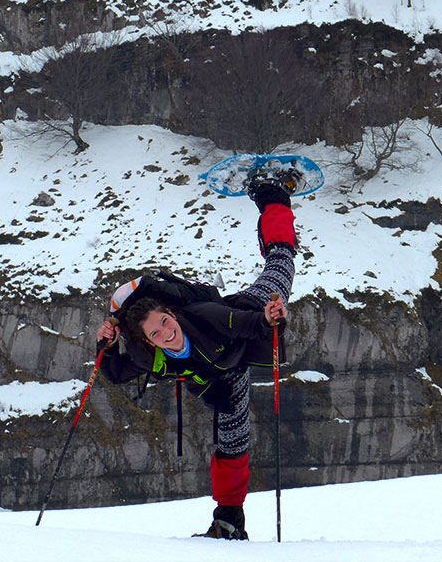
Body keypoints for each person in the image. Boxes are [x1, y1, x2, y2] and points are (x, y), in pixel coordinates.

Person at [95, 174, 299, 540]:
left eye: (165, 322)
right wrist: (105, 345)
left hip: (244, 319)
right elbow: (112, 372)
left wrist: (271, 318)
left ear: (172, 314)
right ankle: (228, 522)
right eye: (155, 333)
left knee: (281, 264)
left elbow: (253, 326)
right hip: (223, 380)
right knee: (232, 444)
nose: (166, 333)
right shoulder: (147, 357)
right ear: (148, 341)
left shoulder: (207, 317)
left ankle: (274, 199)